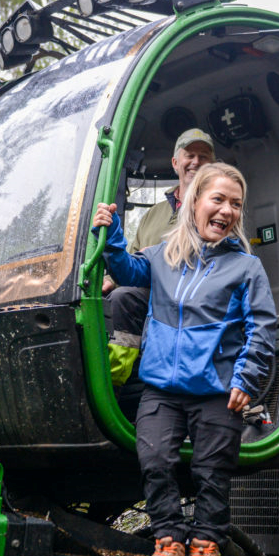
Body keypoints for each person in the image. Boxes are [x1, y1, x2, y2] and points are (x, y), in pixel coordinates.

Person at [92, 162, 276, 556]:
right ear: (194, 203)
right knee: (154, 459)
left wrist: (246, 379)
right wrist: (112, 232)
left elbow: (261, 327)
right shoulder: (162, 256)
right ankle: (170, 545)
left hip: (216, 390)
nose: (227, 210)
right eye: (218, 199)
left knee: (212, 469)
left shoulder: (246, 268)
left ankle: (206, 549)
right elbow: (125, 272)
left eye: (235, 204)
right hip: (162, 388)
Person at [103, 128, 216, 386]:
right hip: (149, 294)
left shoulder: (218, 209)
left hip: (191, 298)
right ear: (176, 163)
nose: (196, 161)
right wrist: (111, 279)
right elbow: (133, 258)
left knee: (125, 299)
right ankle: (116, 384)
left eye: (203, 156)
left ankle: (114, 385)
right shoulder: (153, 214)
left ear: (212, 166)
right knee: (112, 297)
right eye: (189, 155)